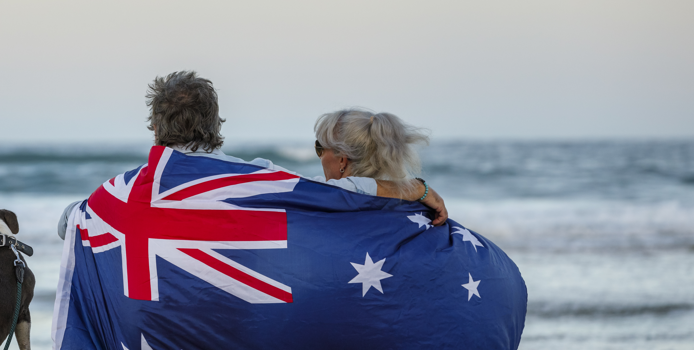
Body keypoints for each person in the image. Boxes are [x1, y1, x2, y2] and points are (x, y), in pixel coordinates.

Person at [58, 71, 446, 239]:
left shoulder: (126, 189)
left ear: (155, 128)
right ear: (216, 125)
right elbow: (341, 192)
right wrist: (416, 189)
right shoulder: (256, 179)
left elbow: (67, 225)